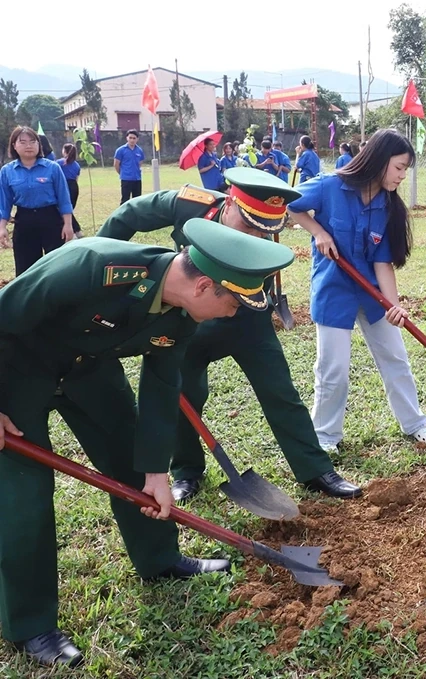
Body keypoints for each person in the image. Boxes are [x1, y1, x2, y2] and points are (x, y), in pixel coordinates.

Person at [0, 218, 294, 668]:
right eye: (234, 304)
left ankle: (160, 559)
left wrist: (158, 472)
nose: (234, 315)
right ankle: (31, 624)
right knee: (25, 499)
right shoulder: (91, 265)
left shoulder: (182, 315)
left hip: (90, 373)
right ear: (203, 289)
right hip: (18, 374)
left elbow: (161, 384)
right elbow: (5, 313)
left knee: (133, 465)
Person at [97, 168, 362, 501]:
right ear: (231, 203)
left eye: (264, 230)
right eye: (249, 224)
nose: (255, 236)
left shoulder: (263, 243)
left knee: (279, 390)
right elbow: (129, 214)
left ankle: (314, 470)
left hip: (245, 319)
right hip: (185, 322)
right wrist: (104, 258)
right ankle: (187, 472)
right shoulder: (190, 205)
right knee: (183, 395)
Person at [286, 130, 426, 451]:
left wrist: (393, 305)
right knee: (334, 369)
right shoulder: (330, 186)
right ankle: (326, 435)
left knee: (395, 358)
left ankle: (415, 423)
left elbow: (383, 262)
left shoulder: (388, 207)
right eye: (399, 167)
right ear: (380, 161)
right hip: (334, 290)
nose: (402, 176)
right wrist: (317, 232)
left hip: (372, 294)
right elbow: (289, 205)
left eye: (405, 170)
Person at [0, 126, 74, 275]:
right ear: (14, 145)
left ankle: (57, 297)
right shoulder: (7, 171)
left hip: (51, 220)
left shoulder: (52, 168)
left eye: (33, 142)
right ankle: (29, 298)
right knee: (26, 268)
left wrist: (68, 225)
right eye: (23, 142)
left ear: (39, 145)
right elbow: (4, 203)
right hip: (24, 221)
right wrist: (2, 227)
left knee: (57, 266)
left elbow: (64, 199)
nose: (29, 145)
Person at [58, 142, 83, 238]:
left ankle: (76, 231)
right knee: (68, 210)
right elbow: (76, 179)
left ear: (65, 151)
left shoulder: (59, 163)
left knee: (64, 210)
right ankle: (77, 231)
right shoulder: (77, 165)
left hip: (65, 186)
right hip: (74, 187)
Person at [114, 129, 145, 204]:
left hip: (137, 179)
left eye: (134, 138)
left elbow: (140, 163)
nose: (132, 140)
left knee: (137, 201)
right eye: (130, 138)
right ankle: (123, 215)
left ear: (137, 139)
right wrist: (123, 173)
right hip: (126, 179)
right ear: (127, 138)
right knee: (125, 200)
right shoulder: (120, 150)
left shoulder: (139, 150)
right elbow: (116, 164)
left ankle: (136, 215)